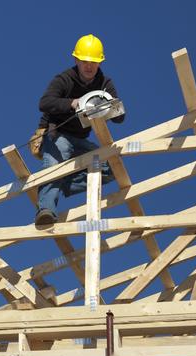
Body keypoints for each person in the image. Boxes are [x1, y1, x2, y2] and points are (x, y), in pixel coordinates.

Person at [31, 34, 125, 226]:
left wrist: (106, 106)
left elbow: (120, 117)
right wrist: (72, 103)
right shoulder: (65, 79)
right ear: (76, 60)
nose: (89, 66)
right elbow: (44, 103)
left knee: (110, 168)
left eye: (93, 62)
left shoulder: (104, 84)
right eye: (84, 61)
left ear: (99, 63)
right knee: (53, 167)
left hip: (81, 139)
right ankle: (46, 210)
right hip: (58, 134)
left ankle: (62, 185)